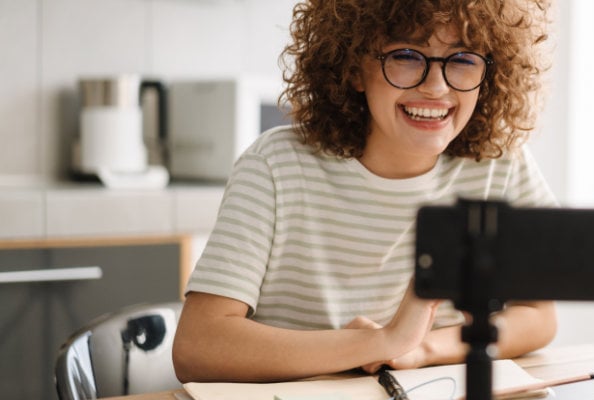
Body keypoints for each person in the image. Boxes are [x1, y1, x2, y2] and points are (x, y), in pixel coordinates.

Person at [173, 0, 556, 383]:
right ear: (354, 68)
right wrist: (385, 342)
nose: (436, 87)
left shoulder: (499, 164)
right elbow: (198, 347)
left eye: (463, 59)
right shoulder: (275, 165)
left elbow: (538, 315)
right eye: (406, 56)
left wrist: (424, 349)